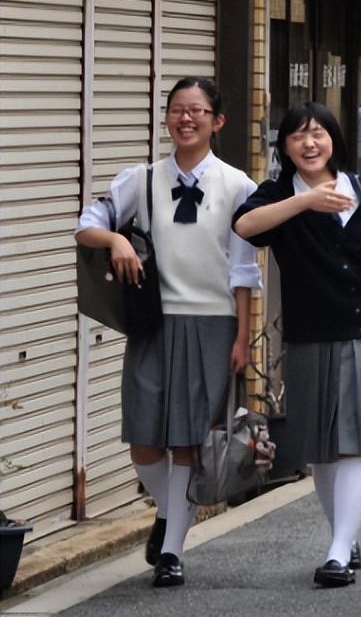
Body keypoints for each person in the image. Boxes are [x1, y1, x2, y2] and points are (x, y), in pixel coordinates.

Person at [233, 103, 361, 588]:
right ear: (285, 147)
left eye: (318, 133)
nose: (309, 143)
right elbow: (244, 226)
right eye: (298, 136)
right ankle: (343, 533)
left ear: (334, 139)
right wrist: (305, 202)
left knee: (355, 443)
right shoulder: (278, 195)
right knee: (319, 448)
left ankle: (339, 552)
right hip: (309, 335)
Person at [75, 78, 260, 588]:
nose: (186, 119)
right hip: (153, 322)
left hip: (213, 323)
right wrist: (115, 239)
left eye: (197, 110)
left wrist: (242, 337)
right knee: (143, 439)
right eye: (177, 109)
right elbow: (85, 225)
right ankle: (168, 512)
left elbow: (244, 270)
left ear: (217, 122)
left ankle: (173, 550)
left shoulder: (238, 186)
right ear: (167, 118)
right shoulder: (141, 179)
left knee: (187, 442)